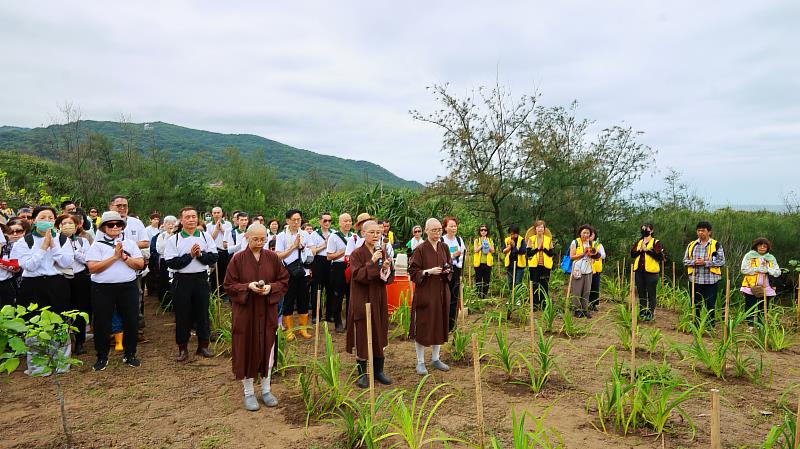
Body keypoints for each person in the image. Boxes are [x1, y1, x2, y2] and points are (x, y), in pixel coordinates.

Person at [224, 223, 289, 411]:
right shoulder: (238, 259)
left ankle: (266, 390)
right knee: (247, 348)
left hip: (267, 311)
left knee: (267, 348)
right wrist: (247, 287)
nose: (260, 242)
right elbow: (229, 285)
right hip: (246, 312)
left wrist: (271, 288)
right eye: (256, 239)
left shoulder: (272, 258)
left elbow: (283, 280)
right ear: (247, 237)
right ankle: (249, 392)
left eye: (263, 239)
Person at [86, 211, 145, 370]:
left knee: (131, 321)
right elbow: (92, 268)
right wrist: (114, 257)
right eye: (110, 224)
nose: (114, 227)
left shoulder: (130, 244)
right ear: (103, 228)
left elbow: (140, 264)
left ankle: (130, 354)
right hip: (103, 289)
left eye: (118, 224)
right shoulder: (97, 245)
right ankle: (102, 356)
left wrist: (125, 258)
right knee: (102, 322)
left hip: (128, 287)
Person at [164, 207, 219, 361]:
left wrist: (200, 255)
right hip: (182, 280)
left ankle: (203, 346)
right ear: (181, 220)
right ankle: (183, 348)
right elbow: (172, 262)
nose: (191, 219)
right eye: (187, 217)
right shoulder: (174, 239)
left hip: (201, 279)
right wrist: (190, 256)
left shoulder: (205, 236)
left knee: (202, 313)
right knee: (182, 315)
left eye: (194, 216)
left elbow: (213, 257)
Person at [346, 220, 395, 388]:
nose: (375, 235)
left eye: (378, 232)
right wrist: (372, 261)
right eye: (372, 232)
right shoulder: (356, 254)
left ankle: (378, 371)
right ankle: (363, 374)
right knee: (363, 334)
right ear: (363, 234)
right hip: (362, 298)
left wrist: (386, 268)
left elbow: (387, 277)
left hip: (378, 297)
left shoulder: (382, 251)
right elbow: (358, 275)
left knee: (379, 331)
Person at [408, 218, 451, 375]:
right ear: (426, 230)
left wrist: (447, 271)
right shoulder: (420, 249)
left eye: (440, 229)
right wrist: (428, 272)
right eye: (434, 230)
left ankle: (435, 358)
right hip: (425, 293)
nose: (437, 233)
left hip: (440, 292)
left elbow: (450, 266)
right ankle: (420, 362)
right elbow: (413, 271)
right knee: (423, 325)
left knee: (438, 324)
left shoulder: (444, 247)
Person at [10, 206, 74, 313]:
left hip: (57, 284)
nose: (47, 221)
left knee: (58, 320)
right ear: (34, 220)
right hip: (32, 285)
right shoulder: (24, 241)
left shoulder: (62, 239)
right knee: (32, 321)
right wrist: (43, 247)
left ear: (54, 220)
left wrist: (53, 245)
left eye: (50, 218)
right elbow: (29, 267)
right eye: (42, 218)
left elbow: (66, 263)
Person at [56, 214, 92, 355]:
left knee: (80, 310)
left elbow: (88, 259)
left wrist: (74, 251)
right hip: (61, 278)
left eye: (71, 223)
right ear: (58, 226)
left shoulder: (83, 242)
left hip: (80, 278)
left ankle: (80, 342)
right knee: (62, 310)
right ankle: (64, 343)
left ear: (77, 226)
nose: (68, 226)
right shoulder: (54, 241)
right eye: (64, 223)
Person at [275, 209, 313, 341]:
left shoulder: (305, 234)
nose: (297, 222)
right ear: (287, 221)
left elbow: (312, 250)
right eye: (294, 220)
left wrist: (303, 248)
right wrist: (293, 246)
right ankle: (289, 330)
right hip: (288, 272)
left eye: (299, 220)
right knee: (289, 300)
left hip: (303, 271)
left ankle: (303, 328)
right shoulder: (281, 236)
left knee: (303, 299)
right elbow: (278, 255)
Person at [683, 221, 726, 323]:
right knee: (695, 304)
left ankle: (710, 325)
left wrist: (705, 263)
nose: (700, 233)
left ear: (709, 232)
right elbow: (685, 261)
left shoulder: (716, 245)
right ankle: (696, 324)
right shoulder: (692, 245)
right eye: (698, 230)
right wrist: (694, 262)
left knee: (710, 304)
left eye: (703, 230)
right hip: (695, 279)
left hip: (711, 281)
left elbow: (721, 261)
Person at [740, 237, 781, 329]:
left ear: (767, 248)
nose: (762, 248)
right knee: (750, 306)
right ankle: (750, 326)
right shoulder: (749, 256)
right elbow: (744, 270)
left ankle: (761, 326)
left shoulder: (771, 258)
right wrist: (757, 269)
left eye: (765, 246)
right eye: (760, 245)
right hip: (751, 286)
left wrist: (768, 270)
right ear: (756, 246)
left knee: (763, 307)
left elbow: (777, 272)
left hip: (767, 286)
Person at [631, 223, 663, 321]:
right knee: (641, 293)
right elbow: (632, 254)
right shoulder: (639, 242)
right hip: (639, 272)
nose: (644, 231)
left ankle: (650, 313)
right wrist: (641, 250)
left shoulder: (656, 242)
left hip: (651, 272)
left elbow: (659, 257)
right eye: (643, 229)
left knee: (651, 293)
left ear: (652, 231)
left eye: (647, 229)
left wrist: (647, 250)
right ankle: (642, 311)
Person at [326, 213, 353, 332]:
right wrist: (342, 252)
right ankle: (337, 322)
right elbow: (329, 256)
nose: (348, 223)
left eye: (350, 221)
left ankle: (349, 322)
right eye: (345, 221)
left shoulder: (354, 236)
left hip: (351, 267)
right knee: (338, 296)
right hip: (338, 267)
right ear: (340, 223)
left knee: (351, 296)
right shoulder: (334, 237)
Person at [441, 216, 465, 332]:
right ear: (445, 228)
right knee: (444, 298)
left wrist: (458, 256)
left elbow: (463, 256)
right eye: (451, 226)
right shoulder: (441, 240)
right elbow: (440, 258)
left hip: (456, 271)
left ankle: (451, 326)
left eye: (455, 226)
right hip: (444, 273)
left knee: (454, 299)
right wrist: (452, 256)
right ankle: (442, 325)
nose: (453, 228)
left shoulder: (459, 240)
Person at [309, 213, 333, 324]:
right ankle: (316, 315)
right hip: (318, 261)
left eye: (329, 220)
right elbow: (313, 252)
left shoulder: (334, 233)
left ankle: (329, 315)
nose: (327, 223)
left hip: (331, 261)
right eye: (325, 221)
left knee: (330, 289)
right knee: (317, 289)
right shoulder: (314, 234)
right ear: (320, 222)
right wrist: (325, 244)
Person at [525, 220, 554, 309]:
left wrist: (544, 249)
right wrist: (537, 249)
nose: (540, 229)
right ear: (535, 229)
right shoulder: (531, 239)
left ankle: (544, 304)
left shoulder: (548, 239)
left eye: (542, 227)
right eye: (538, 227)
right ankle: (534, 304)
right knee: (534, 285)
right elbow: (528, 253)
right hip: (534, 266)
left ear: (544, 229)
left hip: (545, 266)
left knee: (544, 285)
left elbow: (551, 253)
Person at [568, 225, 595, 318]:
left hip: (588, 269)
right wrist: (584, 253)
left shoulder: (591, 243)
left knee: (586, 290)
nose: (586, 234)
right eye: (584, 232)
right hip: (577, 269)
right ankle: (576, 310)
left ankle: (585, 309)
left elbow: (594, 255)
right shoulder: (575, 242)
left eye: (588, 233)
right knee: (577, 290)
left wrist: (594, 254)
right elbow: (572, 256)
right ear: (580, 233)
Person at [0, 219, 26, 306]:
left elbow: (16, 267)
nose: (15, 234)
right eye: (11, 231)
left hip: (8, 285)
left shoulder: (11, 247)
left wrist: (1, 262)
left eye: (19, 231)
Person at [155, 215, 179, 308]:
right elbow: (160, 249)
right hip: (165, 260)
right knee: (165, 281)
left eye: (173, 223)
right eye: (168, 223)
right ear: (164, 225)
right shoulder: (161, 235)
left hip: (175, 261)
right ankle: (165, 303)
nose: (170, 225)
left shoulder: (178, 235)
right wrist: (169, 236)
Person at [208, 206, 232, 297]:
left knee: (225, 272)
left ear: (222, 213)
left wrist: (221, 228)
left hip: (225, 251)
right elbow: (210, 239)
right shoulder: (209, 226)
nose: (217, 214)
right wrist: (216, 230)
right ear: (212, 214)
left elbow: (228, 236)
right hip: (214, 252)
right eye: (215, 213)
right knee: (214, 273)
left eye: (218, 212)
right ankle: (214, 292)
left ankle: (224, 292)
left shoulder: (228, 224)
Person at [472, 224, 494, 299]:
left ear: (487, 231)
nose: (483, 231)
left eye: (485, 230)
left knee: (486, 280)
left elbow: (493, 250)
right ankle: (478, 295)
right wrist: (482, 244)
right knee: (478, 279)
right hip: (478, 263)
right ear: (479, 231)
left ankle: (484, 295)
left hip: (487, 263)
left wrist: (487, 244)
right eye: (482, 230)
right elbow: (475, 250)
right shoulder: (476, 240)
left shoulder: (490, 240)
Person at [587, 229, 606, 312]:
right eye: (589, 234)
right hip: (586, 269)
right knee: (586, 287)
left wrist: (597, 253)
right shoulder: (583, 244)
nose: (590, 236)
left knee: (595, 287)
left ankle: (593, 304)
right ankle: (584, 303)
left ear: (595, 235)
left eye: (592, 234)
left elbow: (604, 256)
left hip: (596, 269)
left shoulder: (599, 245)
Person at [502, 225, 526, 290]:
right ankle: (511, 298)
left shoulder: (522, 240)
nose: (512, 235)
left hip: (519, 265)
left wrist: (514, 247)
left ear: (517, 233)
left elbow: (523, 251)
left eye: (514, 234)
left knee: (518, 283)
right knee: (510, 282)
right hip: (510, 265)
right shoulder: (507, 240)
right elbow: (503, 250)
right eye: (511, 234)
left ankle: (518, 299)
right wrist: (510, 246)